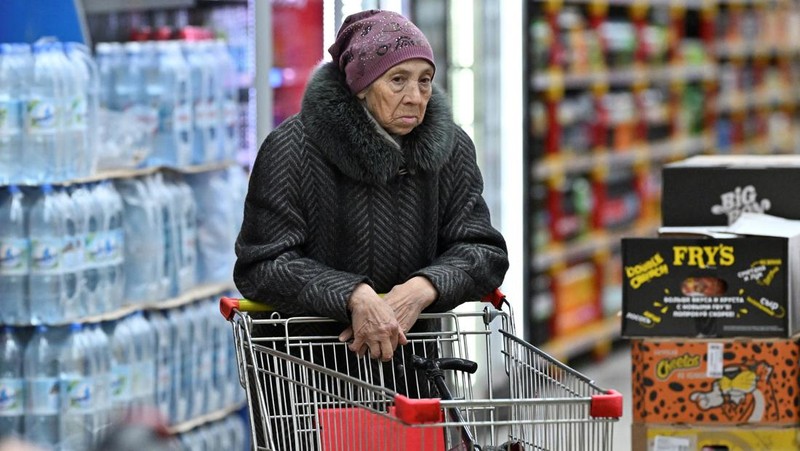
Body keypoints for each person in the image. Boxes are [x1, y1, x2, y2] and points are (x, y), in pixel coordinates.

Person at [233, 9, 509, 449]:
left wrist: (422, 287)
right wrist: (352, 295)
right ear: (360, 88)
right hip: (307, 384)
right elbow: (261, 263)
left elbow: (481, 249)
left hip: (412, 374)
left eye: (424, 80)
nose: (416, 96)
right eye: (397, 80)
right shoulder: (292, 149)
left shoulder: (451, 148)